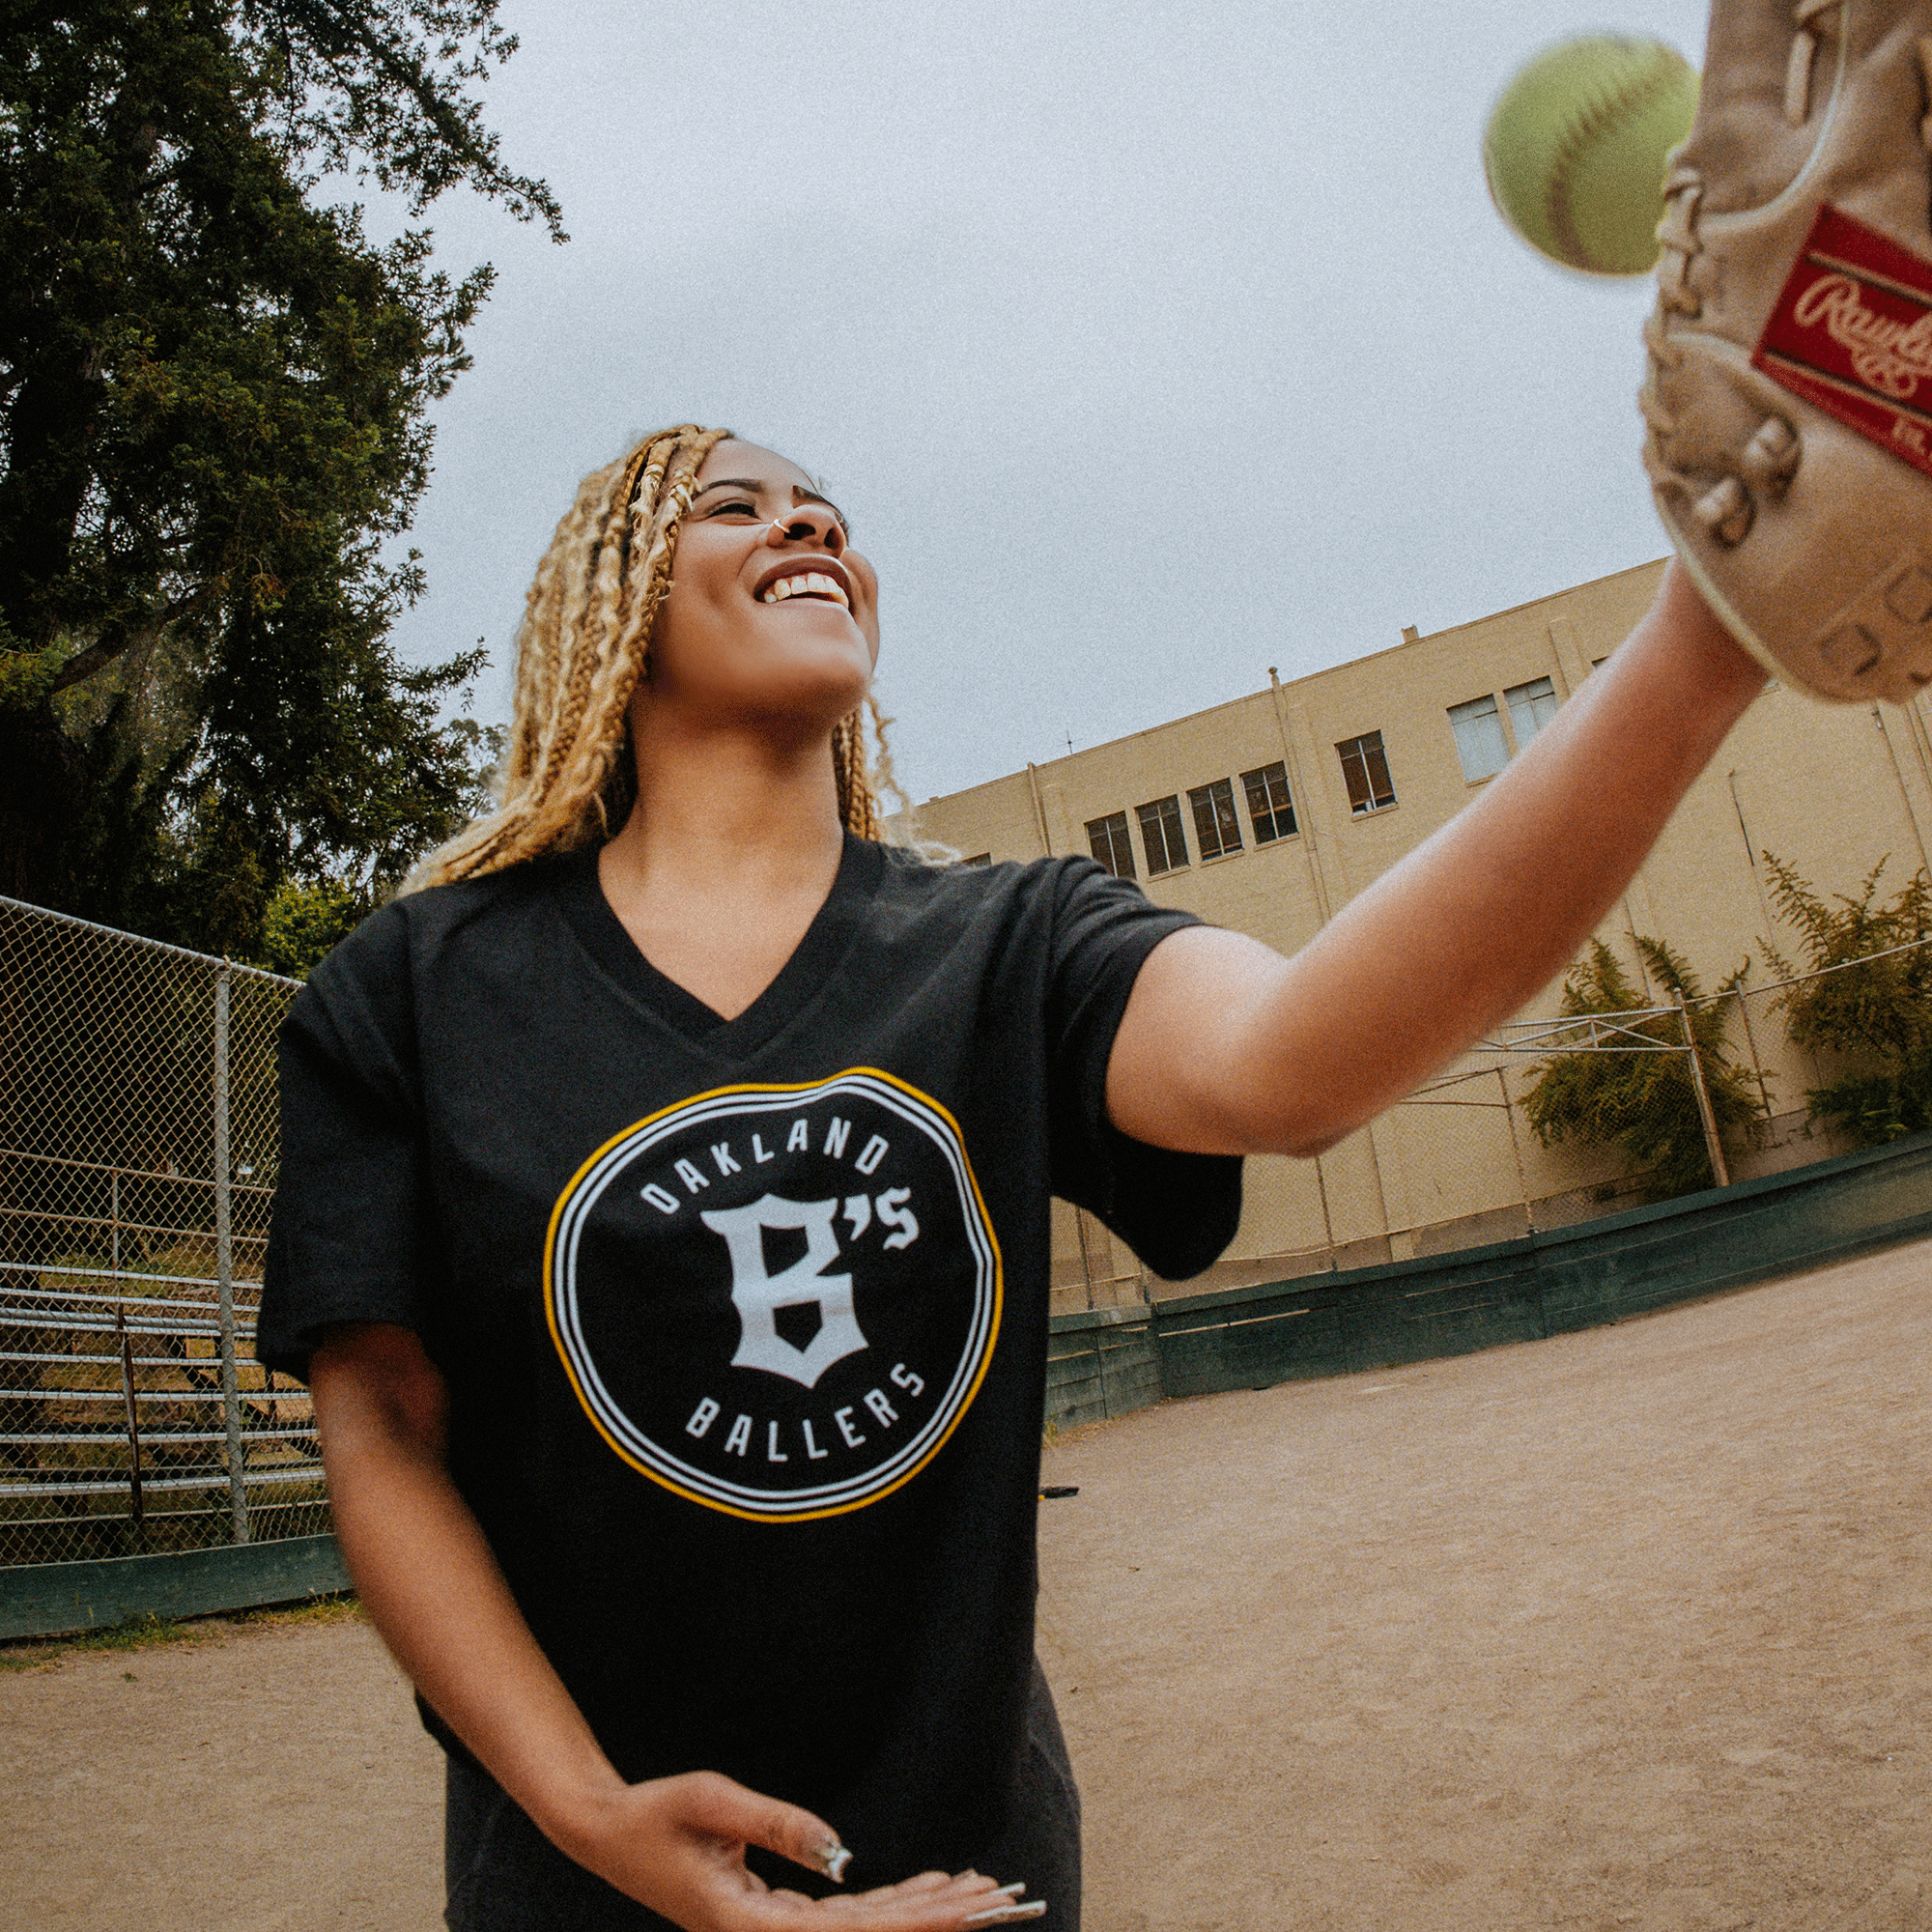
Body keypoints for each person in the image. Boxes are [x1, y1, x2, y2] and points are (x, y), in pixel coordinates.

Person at [257, 422, 1767, 1932]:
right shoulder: (417, 988)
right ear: (614, 601)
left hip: (956, 1871)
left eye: (827, 514)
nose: (809, 532)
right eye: (737, 508)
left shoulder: (1011, 939)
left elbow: (1292, 1062)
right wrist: (590, 1814)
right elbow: (383, 1425)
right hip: (579, 1874)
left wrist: (1711, 631)